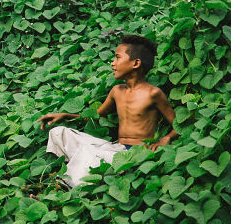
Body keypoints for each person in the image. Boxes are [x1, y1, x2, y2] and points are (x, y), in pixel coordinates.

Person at [38, 34, 178, 187]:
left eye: (118, 58)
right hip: (115, 149)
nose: (113, 63)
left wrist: (167, 138)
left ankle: (64, 187)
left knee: (89, 152)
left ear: (135, 63)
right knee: (59, 133)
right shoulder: (117, 91)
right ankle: (79, 172)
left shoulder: (153, 93)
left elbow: (178, 124)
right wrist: (65, 116)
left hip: (135, 155)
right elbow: (94, 115)